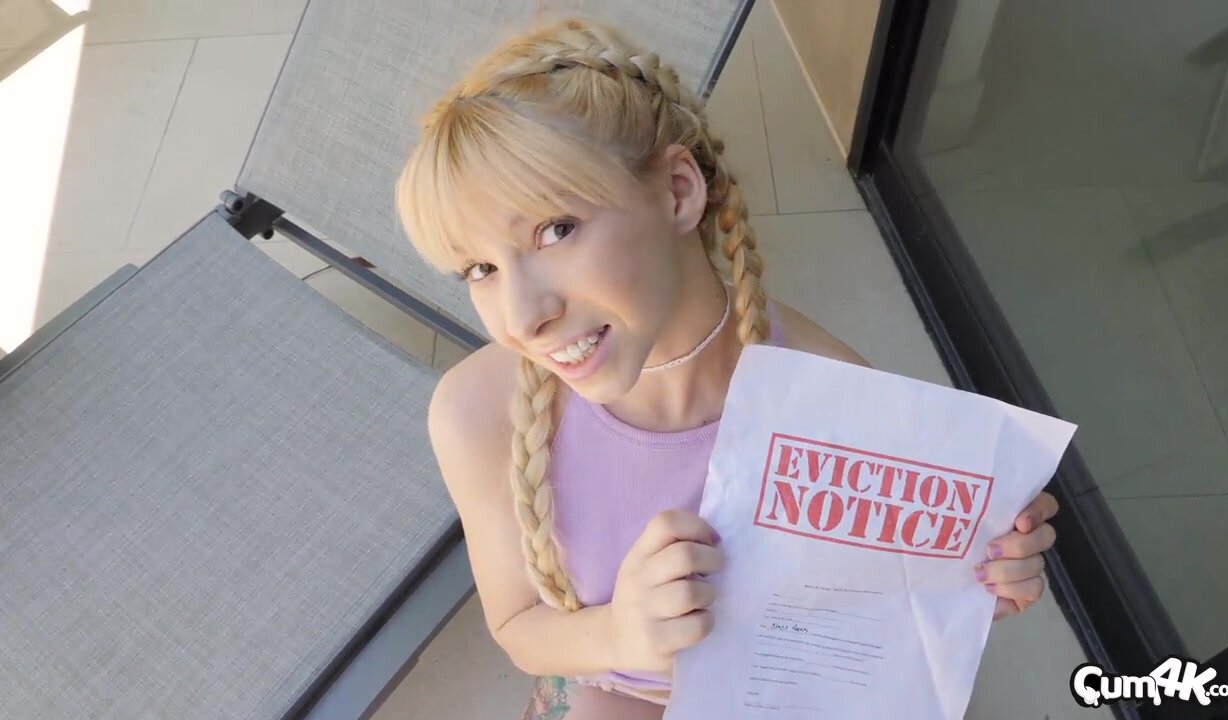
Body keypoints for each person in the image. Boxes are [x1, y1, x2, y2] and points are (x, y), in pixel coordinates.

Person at [395, 17, 1060, 720]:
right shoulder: (476, 412)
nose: (522, 317)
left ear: (678, 191)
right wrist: (621, 632)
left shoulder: (836, 400)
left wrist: (976, 583)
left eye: (555, 230)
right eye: (480, 269)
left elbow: (876, 624)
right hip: (616, 687)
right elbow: (518, 628)